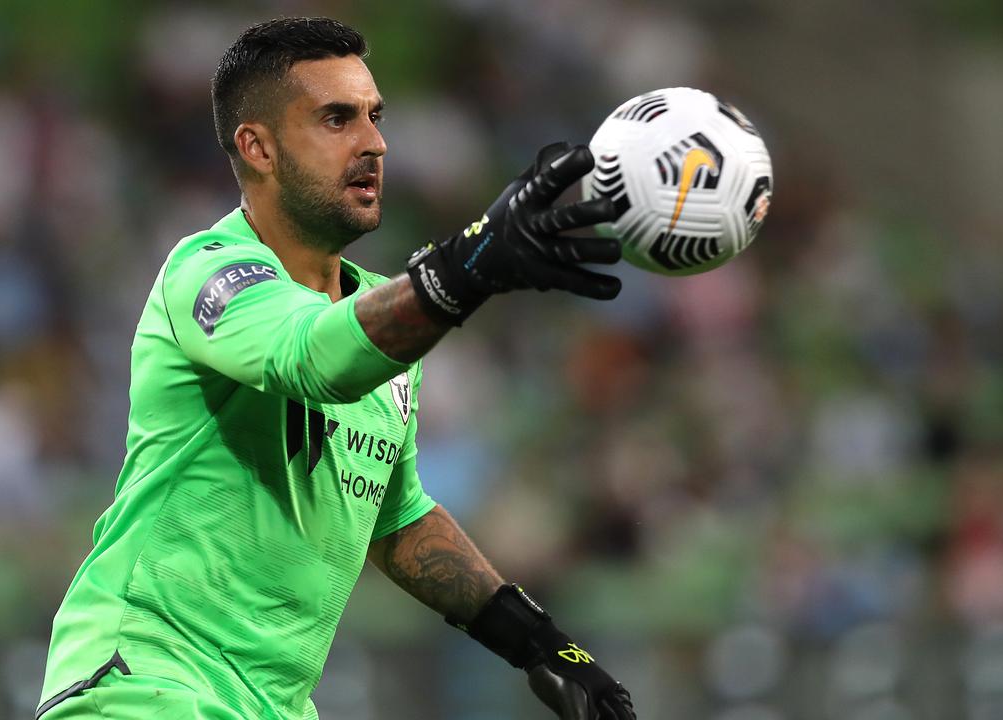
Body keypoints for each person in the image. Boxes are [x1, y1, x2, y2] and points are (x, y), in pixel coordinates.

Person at [37, 16, 635, 720]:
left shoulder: (387, 330)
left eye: (375, 117)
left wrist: (540, 644)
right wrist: (463, 271)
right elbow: (310, 358)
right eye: (336, 119)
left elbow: (397, 520)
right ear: (256, 147)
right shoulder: (206, 272)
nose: (374, 143)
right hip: (141, 683)